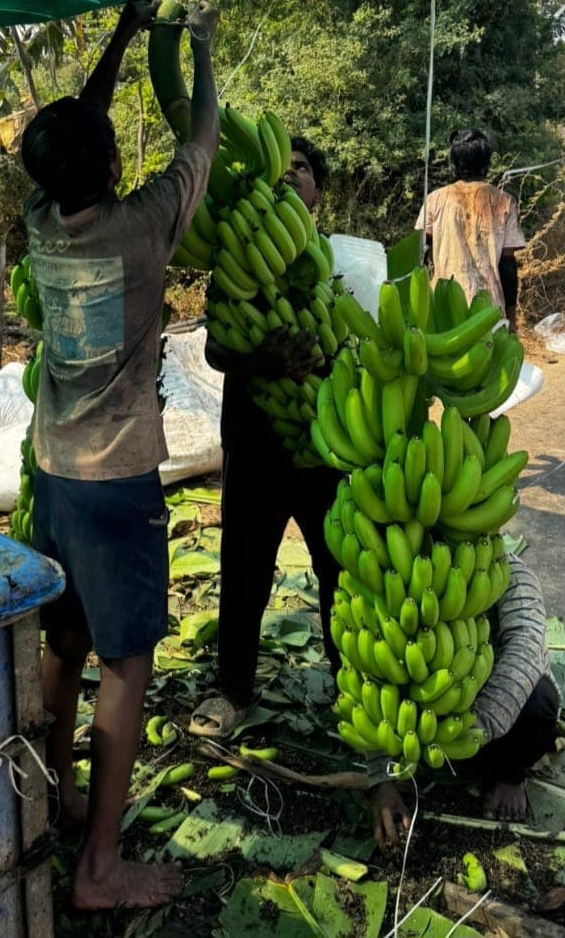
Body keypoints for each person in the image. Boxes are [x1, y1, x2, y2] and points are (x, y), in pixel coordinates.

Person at [20, 0, 219, 910]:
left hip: (54, 473)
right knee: (127, 663)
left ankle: (52, 797)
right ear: (108, 163)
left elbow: (72, 131)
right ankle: (100, 868)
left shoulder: (38, 219)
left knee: (62, 639)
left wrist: (123, 38)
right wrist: (203, 54)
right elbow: (202, 138)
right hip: (116, 481)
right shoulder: (145, 231)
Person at [190, 138, 342, 740]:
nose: (289, 179)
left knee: (337, 570)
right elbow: (214, 347)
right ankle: (233, 688)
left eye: (301, 170)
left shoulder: (340, 266)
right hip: (255, 443)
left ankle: (350, 683)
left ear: (318, 192)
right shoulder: (237, 263)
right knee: (245, 568)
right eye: (280, 171)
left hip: (326, 443)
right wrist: (261, 359)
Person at [369, 553, 560, 848]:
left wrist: (474, 728)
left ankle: (509, 776)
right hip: (425, 732)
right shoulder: (403, 577)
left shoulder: (511, 574)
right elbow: (373, 672)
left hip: (497, 726)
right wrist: (382, 778)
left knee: (539, 697)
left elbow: (527, 646)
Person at [415, 128, 526, 330]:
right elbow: (508, 265)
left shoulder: (434, 200)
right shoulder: (504, 202)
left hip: (441, 307)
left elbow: (420, 253)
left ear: (453, 164)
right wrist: (511, 316)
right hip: (488, 311)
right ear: (487, 164)